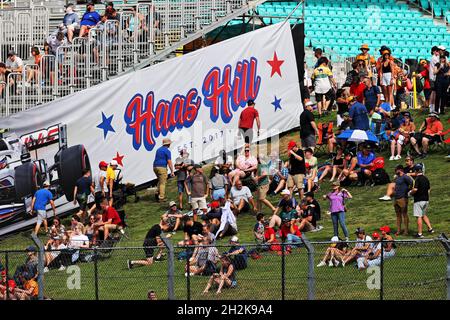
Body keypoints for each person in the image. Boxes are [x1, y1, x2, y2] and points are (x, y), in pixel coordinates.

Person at [410, 165, 434, 238]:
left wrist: (410, 193)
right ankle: (430, 229)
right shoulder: (426, 178)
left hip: (418, 200)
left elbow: (415, 189)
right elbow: (429, 190)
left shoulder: (417, 179)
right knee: (423, 215)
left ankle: (420, 234)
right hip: (426, 200)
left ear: (416, 171)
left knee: (419, 216)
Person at [393, 165, 414, 236]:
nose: (395, 171)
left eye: (396, 170)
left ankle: (406, 230)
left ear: (400, 170)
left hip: (403, 198)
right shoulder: (397, 178)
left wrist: (408, 190)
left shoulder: (405, 177)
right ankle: (398, 230)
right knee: (398, 215)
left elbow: (412, 183)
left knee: (404, 214)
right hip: (396, 198)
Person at [153, 138, 175, 202]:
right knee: (163, 183)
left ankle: (157, 193)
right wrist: (172, 171)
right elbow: (169, 161)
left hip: (155, 167)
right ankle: (161, 198)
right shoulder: (167, 151)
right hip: (162, 167)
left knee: (160, 181)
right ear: (168, 144)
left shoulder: (158, 150)